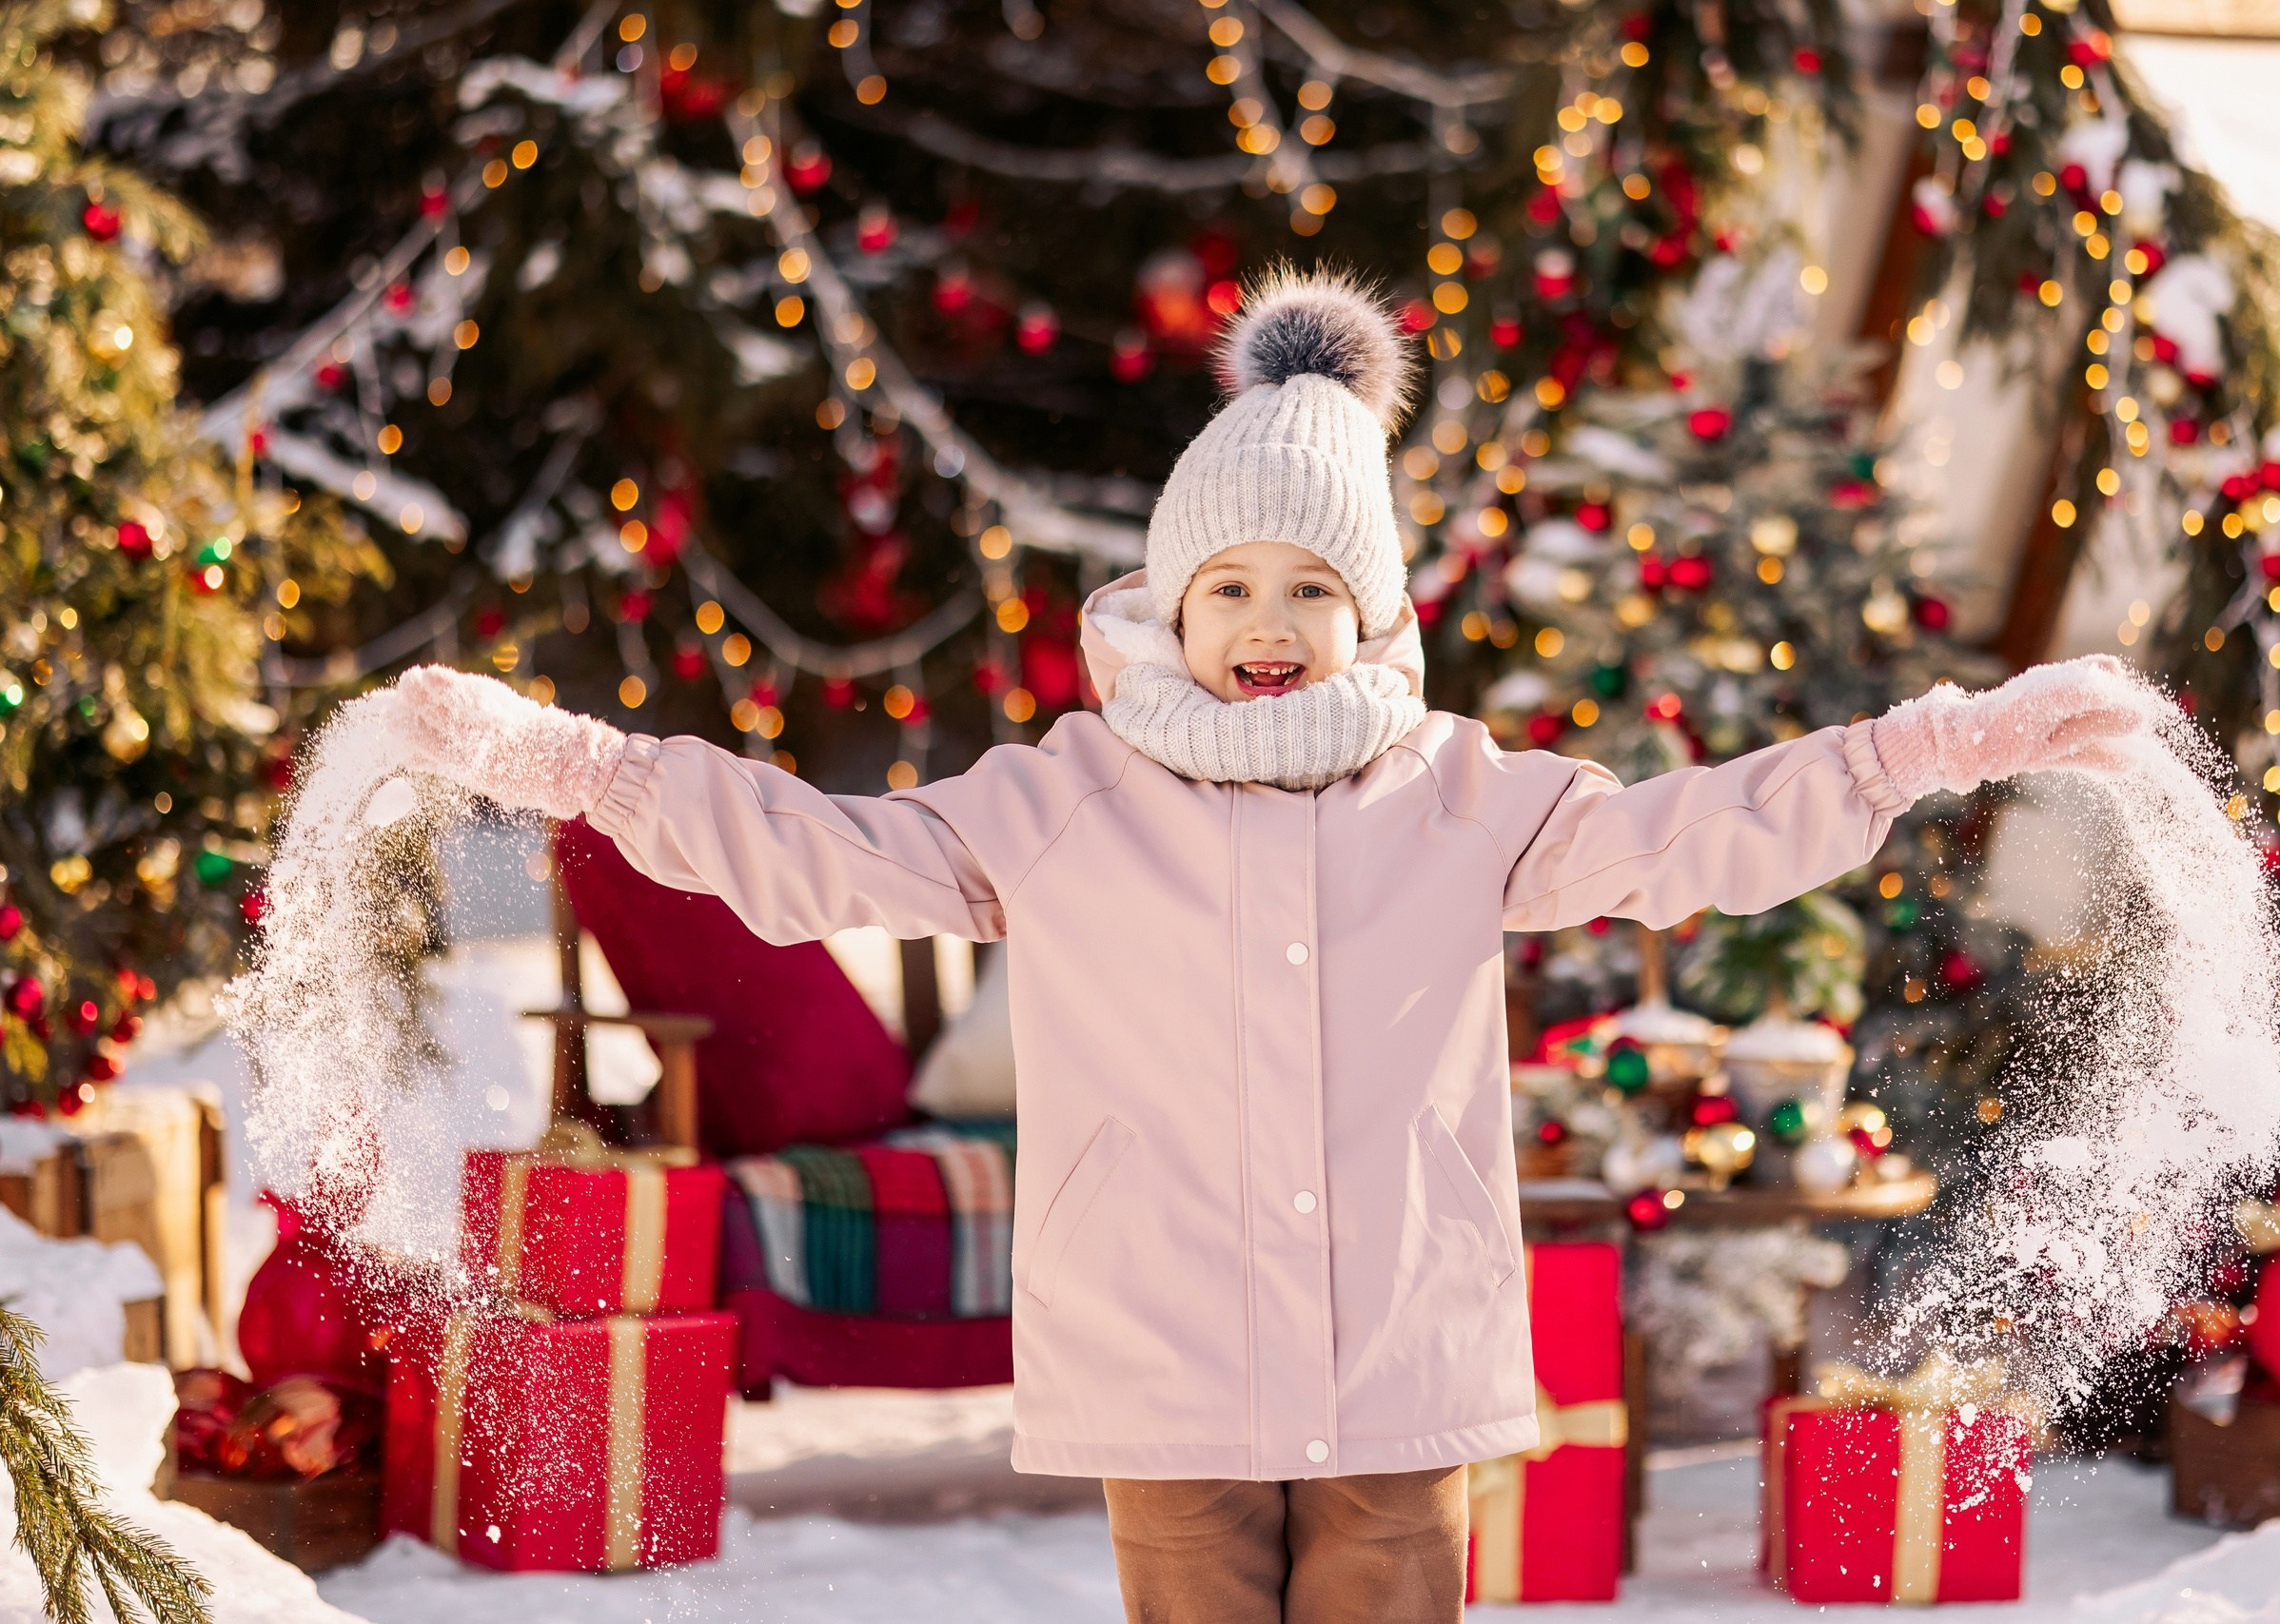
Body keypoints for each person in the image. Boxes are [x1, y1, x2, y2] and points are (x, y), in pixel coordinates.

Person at [391, 268, 2139, 1623]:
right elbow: (824, 858)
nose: (1269, 625)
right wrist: (596, 774)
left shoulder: (1460, 792)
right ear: (1169, 607)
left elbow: (1686, 837)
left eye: (1312, 588)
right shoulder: (1069, 797)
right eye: (1230, 588)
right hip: (1160, 1342)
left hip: (1404, 1342)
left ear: (1372, 611)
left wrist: (1929, 747)